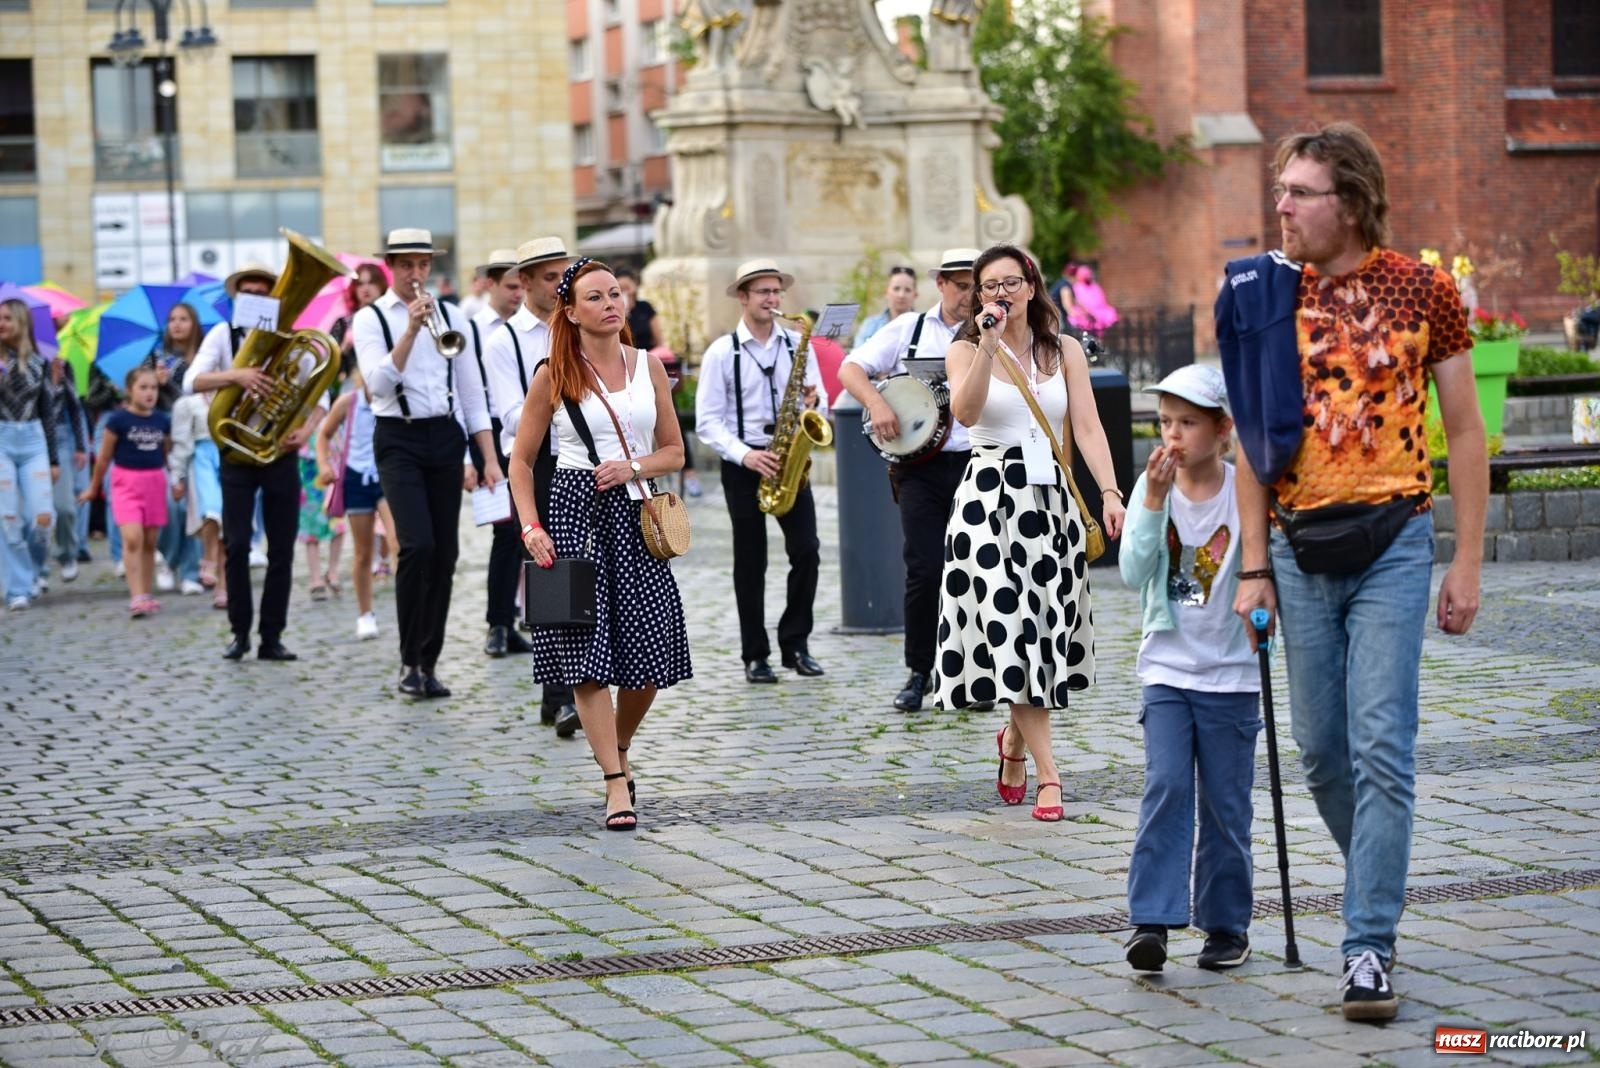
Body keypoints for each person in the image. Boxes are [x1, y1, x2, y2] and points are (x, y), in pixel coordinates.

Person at [1222, 122, 1487, 1022]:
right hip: (1296, 548)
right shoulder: (1265, 296)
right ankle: (1381, 872)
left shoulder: (1424, 291)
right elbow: (1253, 445)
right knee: (1323, 754)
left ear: (1352, 201)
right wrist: (1252, 566)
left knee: (1382, 749)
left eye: (1300, 192)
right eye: (1281, 189)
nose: (1282, 206)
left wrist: (1468, 559)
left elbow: (1467, 431)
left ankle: (1367, 942)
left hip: (1395, 542)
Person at [937, 244, 1126, 821]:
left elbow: (1088, 427)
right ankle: (1051, 775)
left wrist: (1112, 492)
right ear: (978, 297)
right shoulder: (964, 349)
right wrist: (987, 343)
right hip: (989, 506)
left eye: (1011, 283)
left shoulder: (1063, 348)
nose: (1001, 293)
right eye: (989, 286)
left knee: (1044, 633)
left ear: (1031, 286)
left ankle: (1015, 742)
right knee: (1013, 631)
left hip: (1052, 507)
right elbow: (965, 417)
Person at [508, 257, 692, 831]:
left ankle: (617, 744)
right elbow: (521, 460)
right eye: (595, 297)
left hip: (637, 515)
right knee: (586, 659)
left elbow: (675, 452)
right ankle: (616, 782)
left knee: (647, 659)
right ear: (570, 310)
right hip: (571, 513)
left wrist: (631, 465)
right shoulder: (554, 373)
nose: (610, 304)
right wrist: (531, 526)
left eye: (615, 293)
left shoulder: (649, 368)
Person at [1118, 364, 1260, 974]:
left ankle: (1226, 925)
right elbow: (1132, 572)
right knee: (1168, 786)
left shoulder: (1242, 491)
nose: (1172, 436)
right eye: (1165, 422)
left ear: (1223, 429)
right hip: (1168, 670)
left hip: (1232, 674)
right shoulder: (1155, 489)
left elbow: (1265, 560)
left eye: (1187, 423)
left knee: (1227, 804)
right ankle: (1151, 918)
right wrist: (1150, 502)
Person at [353, 228, 500, 698]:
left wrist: (487, 457)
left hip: (444, 436)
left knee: (446, 555)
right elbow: (376, 385)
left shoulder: (454, 315)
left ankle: (429, 662)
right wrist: (412, 329)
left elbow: (473, 394)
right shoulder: (370, 318)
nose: (416, 274)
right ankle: (408, 659)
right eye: (406, 265)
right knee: (415, 545)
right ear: (390, 268)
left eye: (423, 265)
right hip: (398, 436)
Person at [839, 248, 979, 712]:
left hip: (979, 463)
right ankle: (921, 671)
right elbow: (850, 368)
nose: (970, 295)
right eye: (961, 285)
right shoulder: (909, 329)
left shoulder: (992, 333)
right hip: (920, 468)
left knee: (978, 570)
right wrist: (877, 404)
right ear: (940, 284)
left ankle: (976, 673)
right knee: (924, 570)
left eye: (976, 285)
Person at [695, 259, 829, 684]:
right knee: (750, 562)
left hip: (790, 455)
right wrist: (745, 455)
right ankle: (755, 654)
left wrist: (812, 403)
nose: (772, 300)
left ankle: (796, 643)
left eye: (776, 292)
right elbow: (707, 421)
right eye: (763, 293)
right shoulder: (721, 352)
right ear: (743, 297)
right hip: (745, 463)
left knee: (806, 550)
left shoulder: (796, 343)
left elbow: (819, 400)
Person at [185, 262, 323, 662]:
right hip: (236, 454)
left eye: (265, 294)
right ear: (237, 299)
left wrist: (307, 427)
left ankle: (272, 636)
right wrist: (237, 376)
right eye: (249, 294)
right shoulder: (221, 336)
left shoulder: (291, 340)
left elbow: (320, 395)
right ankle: (239, 633)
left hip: (279, 451)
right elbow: (189, 381)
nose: (257, 299)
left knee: (281, 548)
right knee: (238, 544)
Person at [483, 236, 581, 736]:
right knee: (548, 570)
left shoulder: (577, 327)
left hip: (582, 454)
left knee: (580, 570)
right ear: (524, 283)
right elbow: (508, 413)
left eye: (564, 275)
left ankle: (568, 692)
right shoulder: (504, 340)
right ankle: (558, 694)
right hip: (537, 457)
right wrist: (559, 404)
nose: (561, 286)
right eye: (550, 278)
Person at [467, 248, 533, 658]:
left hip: (533, 430)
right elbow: (465, 396)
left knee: (532, 534)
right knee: (505, 532)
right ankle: (498, 622)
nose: (516, 294)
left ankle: (526, 618)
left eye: (520, 286)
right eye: (510, 286)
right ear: (490, 284)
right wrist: (470, 459)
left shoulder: (531, 327)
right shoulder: (474, 329)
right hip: (489, 434)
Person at [80, 366, 169, 618]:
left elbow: (167, 454)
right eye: (143, 387)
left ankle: (146, 591)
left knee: (150, 542)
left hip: (154, 482)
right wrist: (93, 487)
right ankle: (136, 595)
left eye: (153, 387)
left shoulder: (162, 420)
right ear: (129, 391)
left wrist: (175, 481)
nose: (149, 393)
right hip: (125, 482)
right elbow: (104, 458)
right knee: (132, 538)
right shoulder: (117, 420)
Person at [315, 370, 389, 640]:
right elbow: (324, 435)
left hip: (385, 477)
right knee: (362, 552)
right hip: (356, 478)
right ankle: (365, 613)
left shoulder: (393, 401)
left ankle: (411, 605)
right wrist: (324, 465)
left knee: (400, 543)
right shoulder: (348, 401)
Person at [617, 266, 700, 498]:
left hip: (647, 369)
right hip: (621, 373)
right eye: (618, 289)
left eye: (626, 288)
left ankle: (690, 473)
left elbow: (659, 339)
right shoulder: (615, 313)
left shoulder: (644, 308)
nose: (623, 292)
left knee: (670, 420)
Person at [0, 298, 58, 611]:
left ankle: (36, 569)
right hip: (2, 438)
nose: (2, 323)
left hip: (33, 438)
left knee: (42, 517)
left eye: (8, 318)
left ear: (21, 322)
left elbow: (48, 411)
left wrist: (52, 459)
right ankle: (18, 587)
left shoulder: (40, 362)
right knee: (8, 517)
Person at [34, 351, 89, 590]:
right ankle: (38, 568)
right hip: (31, 437)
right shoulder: (20, 363)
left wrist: (79, 445)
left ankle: (67, 553)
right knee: (36, 513)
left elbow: (74, 408)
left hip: (61, 436)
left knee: (65, 507)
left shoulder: (61, 362)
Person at [167, 387, 225, 608]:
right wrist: (177, 476)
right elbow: (181, 443)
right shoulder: (189, 403)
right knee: (210, 511)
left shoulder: (235, 391)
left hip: (228, 454)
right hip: (202, 461)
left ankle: (224, 586)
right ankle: (208, 560)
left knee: (229, 522)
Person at [854, 264, 918, 347]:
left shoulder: (924, 326)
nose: (901, 295)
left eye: (907, 290)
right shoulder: (870, 325)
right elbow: (857, 355)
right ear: (886, 292)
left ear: (915, 295)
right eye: (896, 288)